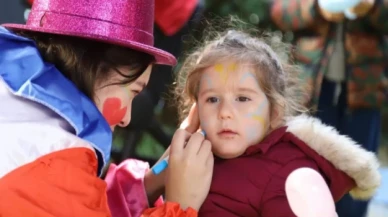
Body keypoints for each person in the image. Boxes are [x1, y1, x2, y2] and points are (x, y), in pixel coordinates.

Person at [0, 0, 213, 216]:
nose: (126, 119)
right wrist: (181, 205)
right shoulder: (56, 166)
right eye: (133, 92)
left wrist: (147, 185)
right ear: (93, 67)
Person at [170, 29, 379, 216]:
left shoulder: (291, 175)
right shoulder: (194, 160)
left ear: (274, 113)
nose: (224, 112)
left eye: (243, 98)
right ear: (195, 111)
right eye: (212, 99)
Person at [270, 0, 388, 216]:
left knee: (359, 173)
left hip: (365, 90)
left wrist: (373, 7)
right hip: (310, 91)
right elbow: (280, 12)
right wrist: (316, 7)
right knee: (306, 169)